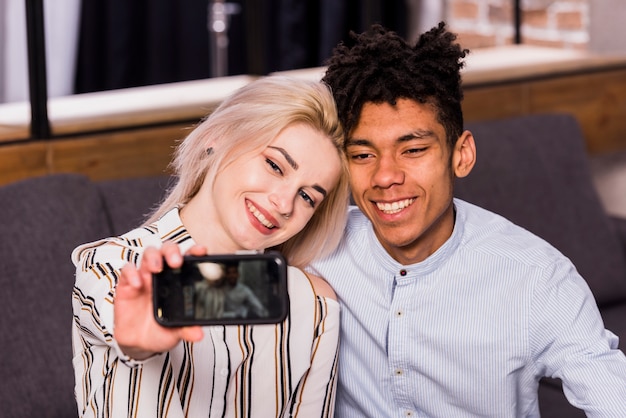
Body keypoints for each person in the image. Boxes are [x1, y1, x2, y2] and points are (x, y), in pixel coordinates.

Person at [308, 22, 626, 416]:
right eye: (362, 155)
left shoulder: (538, 280)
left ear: (462, 155)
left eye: (413, 150)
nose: (385, 176)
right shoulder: (316, 246)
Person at [71, 75, 351, 417]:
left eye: (308, 196)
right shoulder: (111, 264)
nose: (283, 203)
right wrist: (138, 341)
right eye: (274, 165)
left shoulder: (314, 307)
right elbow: (123, 326)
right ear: (217, 138)